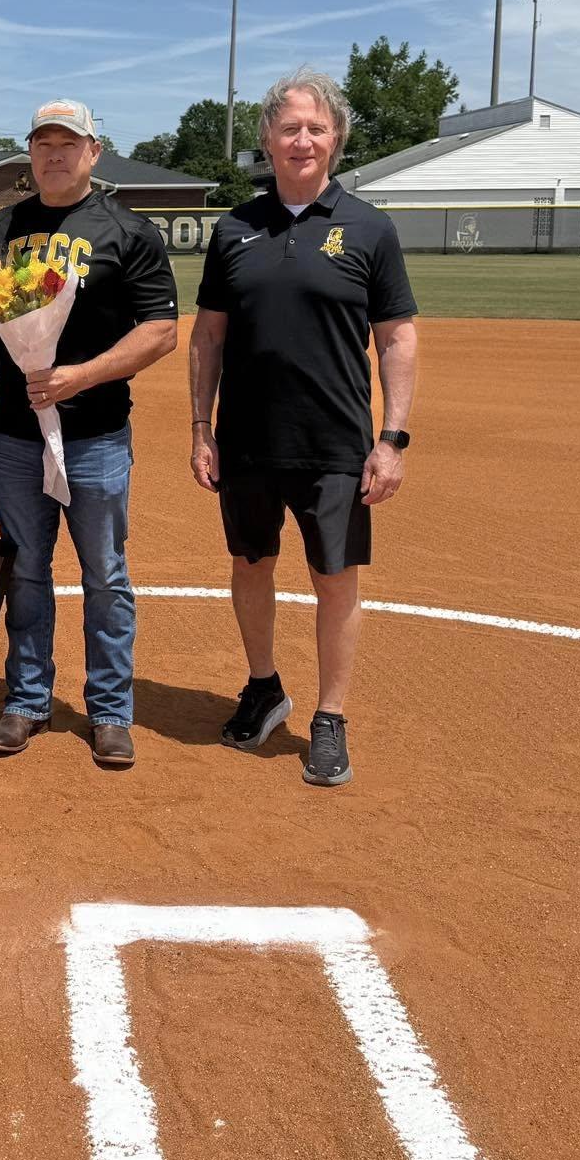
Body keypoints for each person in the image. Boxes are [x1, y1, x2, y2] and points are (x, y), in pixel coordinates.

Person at [189, 67, 419, 787]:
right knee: (250, 565)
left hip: (337, 444)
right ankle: (264, 688)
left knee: (334, 578)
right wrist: (202, 426)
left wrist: (393, 438)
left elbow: (398, 338)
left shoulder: (370, 228)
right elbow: (208, 338)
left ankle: (329, 718)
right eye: (289, 127)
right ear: (266, 138)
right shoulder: (234, 229)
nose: (302, 139)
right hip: (249, 440)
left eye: (316, 128)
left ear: (336, 139)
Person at [0, 99, 178, 768]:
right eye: (43, 143)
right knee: (27, 573)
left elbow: (160, 331)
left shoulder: (129, 230)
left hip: (95, 434)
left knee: (106, 576)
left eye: (69, 143)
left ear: (94, 151)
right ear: (29, 153)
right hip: (13, 433)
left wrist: (80, 376)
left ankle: (110, 710)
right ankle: (27, 700)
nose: (54, 155)